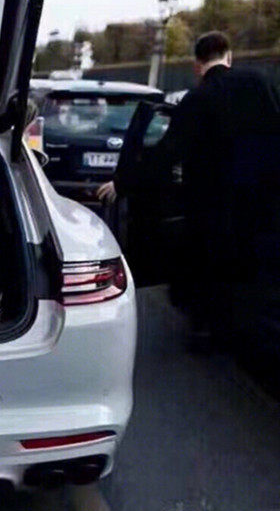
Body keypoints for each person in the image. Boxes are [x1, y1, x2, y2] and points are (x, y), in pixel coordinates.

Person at [96, 31, 280, 343]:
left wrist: (123, 183)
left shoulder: (197, 99)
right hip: (265, 200)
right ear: (229, 56)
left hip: (215, 206)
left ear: (197, 64)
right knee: (257, 268)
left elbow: (167, 153)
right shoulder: (261, 83)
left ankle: (210, 331)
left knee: (212, 269)